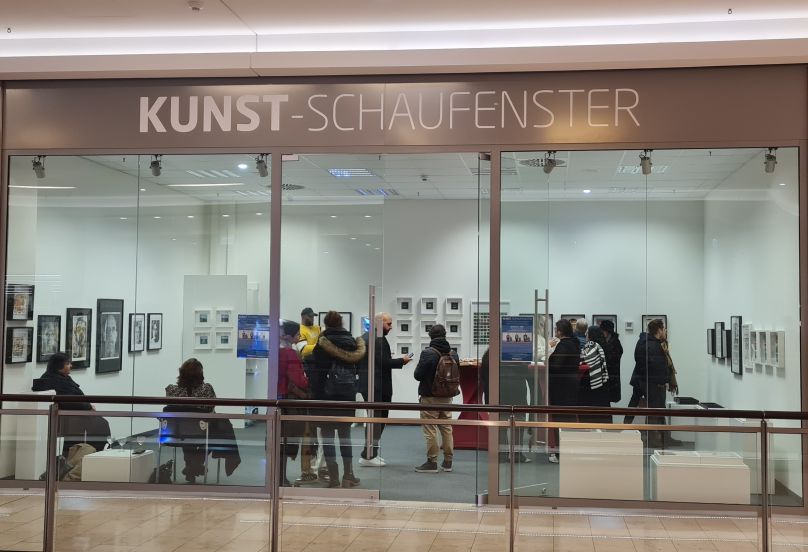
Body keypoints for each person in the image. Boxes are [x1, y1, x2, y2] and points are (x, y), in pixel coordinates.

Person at [311, 310, 365, 488]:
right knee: (345, 435)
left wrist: (315, 396)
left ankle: (333, 477)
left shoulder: (322, 343)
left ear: (326, 324)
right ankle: (348, 475)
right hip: (347, 395)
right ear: (341, 322)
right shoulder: (353, 343)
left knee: (327, 436)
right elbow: (358, 370)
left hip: (326, 396)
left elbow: (317, 373)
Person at [165, 358, 242, 484]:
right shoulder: (206, 389)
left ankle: (191, 465)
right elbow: (212, 407)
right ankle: (196, 463)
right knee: (216, 430)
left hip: (176, 433)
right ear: (200, 374)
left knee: (186, 429)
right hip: (202, 431)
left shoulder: (171, 390)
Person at [358, 312, 411, 467]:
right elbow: (383, 362)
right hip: (377, 386)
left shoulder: (367, 337)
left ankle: (370, 453)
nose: (391, 327)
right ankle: (368, 456)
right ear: (379, 323)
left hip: (372, 385)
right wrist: (402, 361)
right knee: (377, 421)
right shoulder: (377, 339)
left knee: (375, 421)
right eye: (389, 324)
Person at [32, 352, 111, 456]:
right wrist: (88, 407)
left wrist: (88, 406)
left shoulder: (63, 377)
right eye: (67, 363)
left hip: (77, 414)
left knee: (100, 423)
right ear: (59, 366)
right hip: (68, 417)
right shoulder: (52, 380)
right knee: (100, 424)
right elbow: (68, 400)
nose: (70, 366)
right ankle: (92, 455)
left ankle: (93, 453)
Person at [413, 324, 459, 473]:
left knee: (430, 429)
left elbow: (417, 375)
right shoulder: (453, 354)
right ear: (445, 335)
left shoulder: (428, 353)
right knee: (446, 428)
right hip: (447, 397)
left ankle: (432, 462)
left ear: (430, 337)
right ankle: (448, 462)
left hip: (430, 397)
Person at [623, 319, 670, 447]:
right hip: (651, 382)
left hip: (641, 379)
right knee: (657, 410)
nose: (665, 331)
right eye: (663, 328)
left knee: (634, 406)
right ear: (659, 330)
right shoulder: (653, 345)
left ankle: (625, 428)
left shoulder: (644, 342)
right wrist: (663, 381)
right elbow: (657, 366)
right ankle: (658, 439)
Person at [278, 319, 310, 486]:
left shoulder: (275, 351)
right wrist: (308, 382)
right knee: (286, 440)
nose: (298, 337)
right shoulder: (290, 353)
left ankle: (278, 477)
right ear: (289, 336)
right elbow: (297, 379)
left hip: (278, 397)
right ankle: (281, 479)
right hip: (289, 401)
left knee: (279, 439)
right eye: (297, 334)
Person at [546, 319, 580, 463]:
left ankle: (561, 454)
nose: (555, 331)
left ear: (560, 331)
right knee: (569, 419)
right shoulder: (575, 344)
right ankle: (569, 451)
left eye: (556, 329)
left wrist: (548, 359)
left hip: (561, 387)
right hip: (571, 385)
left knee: (560, 419)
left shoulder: (563, 345)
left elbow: (556, 366)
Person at [296, 307, 322, 485]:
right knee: (308, 429)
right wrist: (321, 347)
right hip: (307, 371)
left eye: (313, 316)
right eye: (309, 316)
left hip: (318, 371)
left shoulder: (318, 329)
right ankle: (308, 469)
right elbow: (304, 351)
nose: (312, 319)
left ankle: (318, 467)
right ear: (303, 316)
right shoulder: (300, 330)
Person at [578, 326, 611, 423]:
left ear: (591, 335)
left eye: (587, 333)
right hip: (603, 383)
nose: (585, 335)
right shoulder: (605, 345)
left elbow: (587, 360)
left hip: (593, 383)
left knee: (592, 414)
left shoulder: (593, 346)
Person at [599, 320, 624, 404]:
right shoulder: (604, 341)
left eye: (603, 330)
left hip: (611, 375)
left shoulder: (615, 342)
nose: (601, 332)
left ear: (608, 331)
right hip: (606, 375)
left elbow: (613, 359)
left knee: (607, 399)